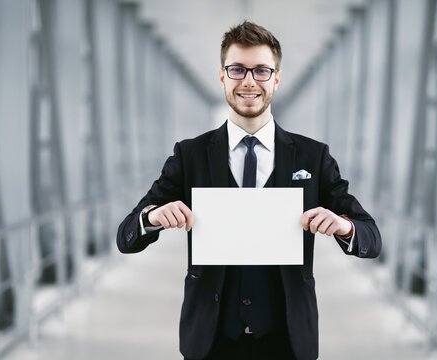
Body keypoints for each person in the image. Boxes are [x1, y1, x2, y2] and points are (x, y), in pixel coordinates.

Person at [117, 21, 382, 360]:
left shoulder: (313, 157)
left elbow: (371, 238)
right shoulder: (191, 155)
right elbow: (126, 237)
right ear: (222, 76)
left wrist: (345, 227)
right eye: (238, 69)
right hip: (210, 341)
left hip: (287, 340)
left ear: (277, 78)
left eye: (261, 71)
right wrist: (152, 216)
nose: (248, 81)